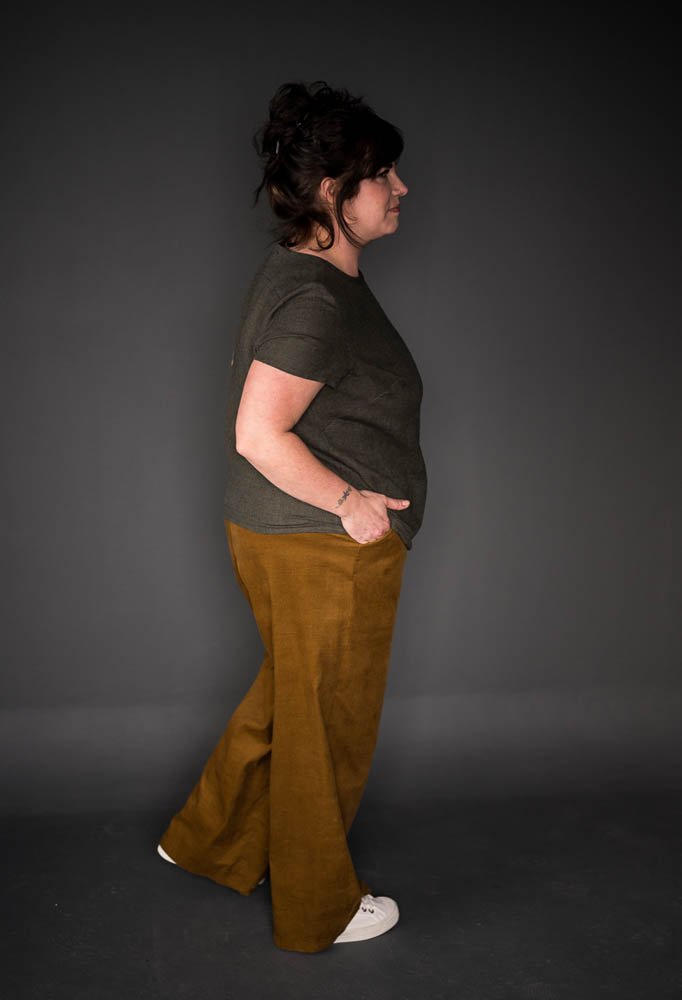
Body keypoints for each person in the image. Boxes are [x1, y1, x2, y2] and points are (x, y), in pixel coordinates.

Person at [156, 80, 428, 954]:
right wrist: (351, 505)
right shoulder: (317, 300)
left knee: (290, 702)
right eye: (383, 174)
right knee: (326, 729)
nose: (401, 187)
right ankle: (319, 909)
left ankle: (208, 840)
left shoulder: (305, 274)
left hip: (282, 536)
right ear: (334, 193)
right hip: (323, 545)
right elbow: (256, 432)